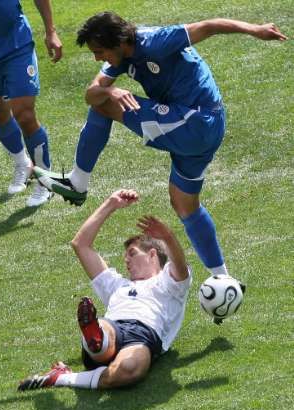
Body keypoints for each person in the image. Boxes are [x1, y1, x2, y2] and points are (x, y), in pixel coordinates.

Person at [33, 12, 287, 272]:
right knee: (184, 203)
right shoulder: (122, 54)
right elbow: (91, 93)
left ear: (118, 41)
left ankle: (78, 183)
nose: (98, 58)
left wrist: (255, 29)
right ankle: (222, 279)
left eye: (99, 51)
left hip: (194, 121)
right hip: (205, 126)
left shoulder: (155, 40)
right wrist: (110, 89)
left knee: (104, 107)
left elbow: (208, 26)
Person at [18, 189, 192, 391]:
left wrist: (168, 237)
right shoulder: (117, 285)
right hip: (114, 326)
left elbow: (179, 265)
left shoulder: (169, 283)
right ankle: (96, 337)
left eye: (132, 253)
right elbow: (81, 244)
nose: (125, 259)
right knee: (103, 337)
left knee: (129, 369)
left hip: (145, 335)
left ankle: (63, 376)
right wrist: (110, 203)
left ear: (152, 255)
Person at [0, 0, 62, 207]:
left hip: (16, 45)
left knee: (25, 114)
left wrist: (50, 31)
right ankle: (23, 163)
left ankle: (45, 180)